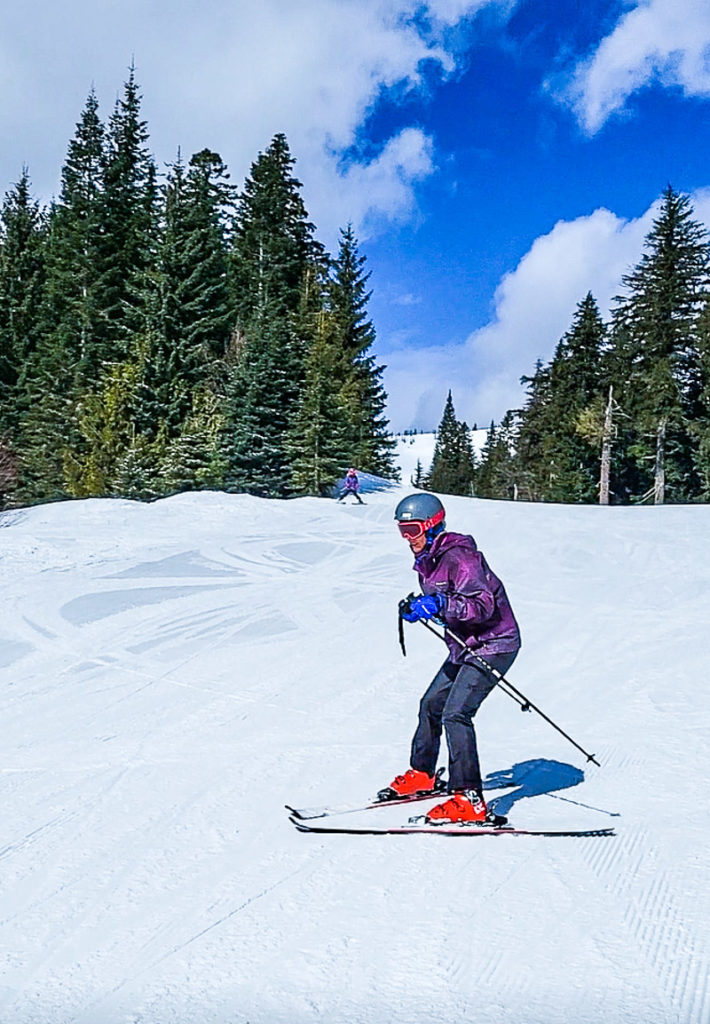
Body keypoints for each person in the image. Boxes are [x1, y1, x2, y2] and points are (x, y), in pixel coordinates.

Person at [382, 492, 521, 824]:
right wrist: (419, 607)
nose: (408, 538)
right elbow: (445, 601)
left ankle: (469, 798)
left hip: (495, 643)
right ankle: (423, 775)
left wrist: (440, 606)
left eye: (412, 529)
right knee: (431, 704)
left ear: (431, 526)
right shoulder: (427, 561)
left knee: (456, 714)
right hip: (465, 646)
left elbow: (483, 606)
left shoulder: (461, 557)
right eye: (402, 531)